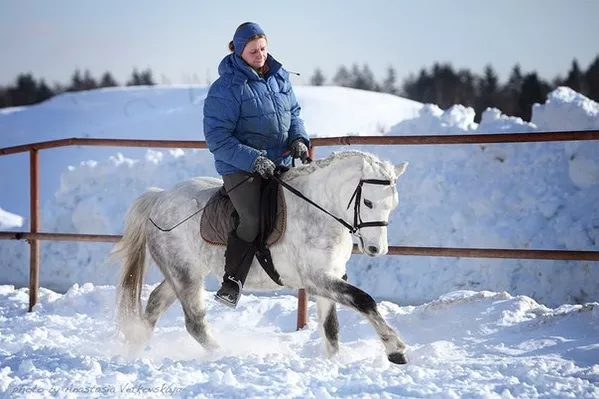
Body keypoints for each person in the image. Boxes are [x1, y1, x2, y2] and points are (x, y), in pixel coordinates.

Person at [203, 22, 311, 308]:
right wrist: (254, 159)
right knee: (251, 218)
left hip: (279, 161)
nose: (260, 55)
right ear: (239, 52)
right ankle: (232, 282)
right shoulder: (226, 88)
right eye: (253, 52)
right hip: (239, 166)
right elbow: (217, 138)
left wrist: (299, 137)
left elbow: (294, 113)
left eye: (263, 49)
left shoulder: (279, 77)